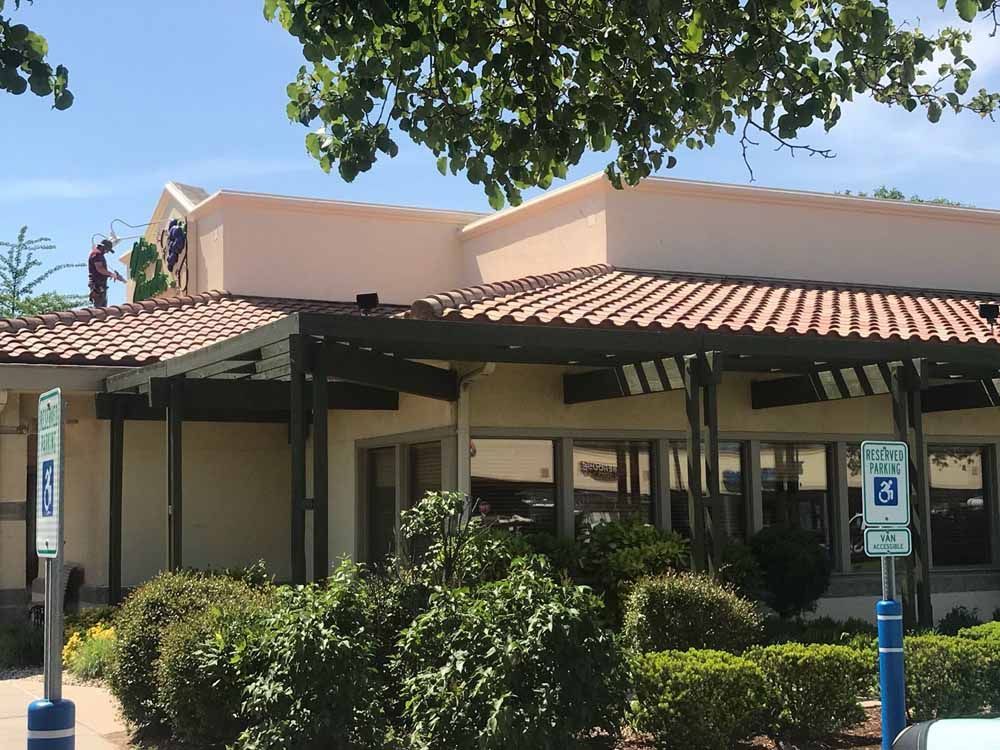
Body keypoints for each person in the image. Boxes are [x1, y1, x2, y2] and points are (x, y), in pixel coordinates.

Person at [88, 239, 125, 307]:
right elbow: (100, 269)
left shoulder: (97, 254)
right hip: (97, 285)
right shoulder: (97, 254)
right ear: (103, 247)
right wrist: (112, 274)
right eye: (107, 250)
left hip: (100, 285)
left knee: (103, 308)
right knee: (99, 309)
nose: (107, 252)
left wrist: (113, 275)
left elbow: (102, 271)